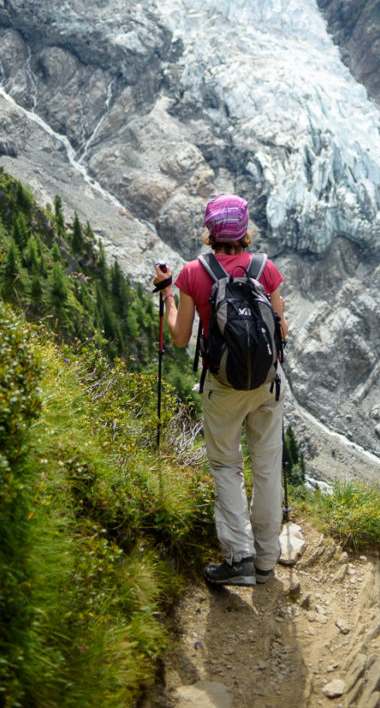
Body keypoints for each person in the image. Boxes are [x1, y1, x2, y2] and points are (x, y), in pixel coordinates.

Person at [154, 193, 288, 588]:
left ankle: (238, 556)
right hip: (267, 383)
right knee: (266, 468)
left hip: (222, 386)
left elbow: (180, 339)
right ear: (244, 231)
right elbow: (282, 331)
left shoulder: (194, 273)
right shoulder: (267, 269)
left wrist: (167, 295)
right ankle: (266, 561)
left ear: (210, 232)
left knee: (227, 466)